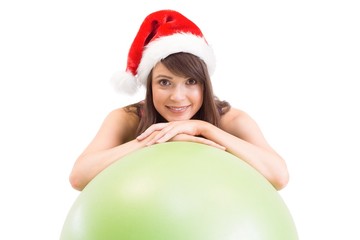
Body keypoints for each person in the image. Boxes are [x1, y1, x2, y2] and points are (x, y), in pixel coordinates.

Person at [69, 9, 289, 191]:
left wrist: (203, 128)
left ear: (205, 83)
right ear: (150, 85)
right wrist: (155, 138)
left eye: (191, 81)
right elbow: (79, 177)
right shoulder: (127, 118)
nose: (177, 96)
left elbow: (279, 177)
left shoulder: (231, 119)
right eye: (165, 82)